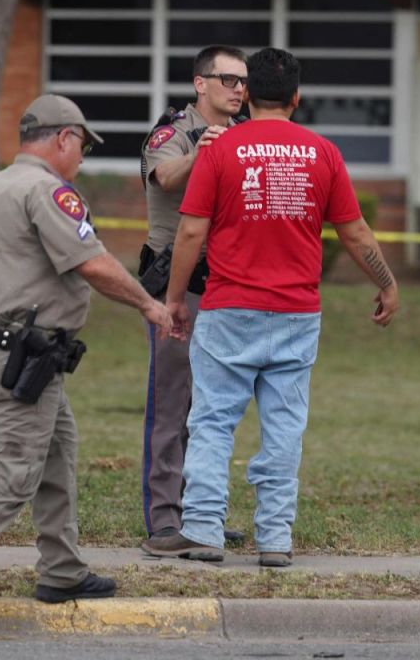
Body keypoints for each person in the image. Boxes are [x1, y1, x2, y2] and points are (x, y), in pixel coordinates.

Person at [0, 94, 181, 643]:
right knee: (14, 471)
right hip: (24, 355)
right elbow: (92, 263)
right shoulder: (48, 191)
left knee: (58, 449)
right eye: (81, 145)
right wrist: (151, 306)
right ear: (62, 139)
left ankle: (61, 569)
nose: (80, 157)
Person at [142, 48, 400, 567]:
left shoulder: (220, 149)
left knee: (213, 423)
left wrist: (173, 300)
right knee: (284, 428)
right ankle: (276, 540)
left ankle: (204, 529)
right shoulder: (323, 152)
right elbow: (354, 231)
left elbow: (191, 229)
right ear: (297, 98)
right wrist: (387, 283)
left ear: (248, 95)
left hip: (227, 307)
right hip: (297, 313)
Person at [137, 45, 249, 546]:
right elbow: (163, 175)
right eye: (228, 79)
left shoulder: (244, 134)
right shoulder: (173, 133)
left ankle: (201, 513)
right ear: (200, 83)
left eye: (244, 82)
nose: (238, 90)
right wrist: (203, 149)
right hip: (175, 288)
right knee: (172, 404)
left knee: (213, 408)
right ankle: (165, 519)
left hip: (226, 286)